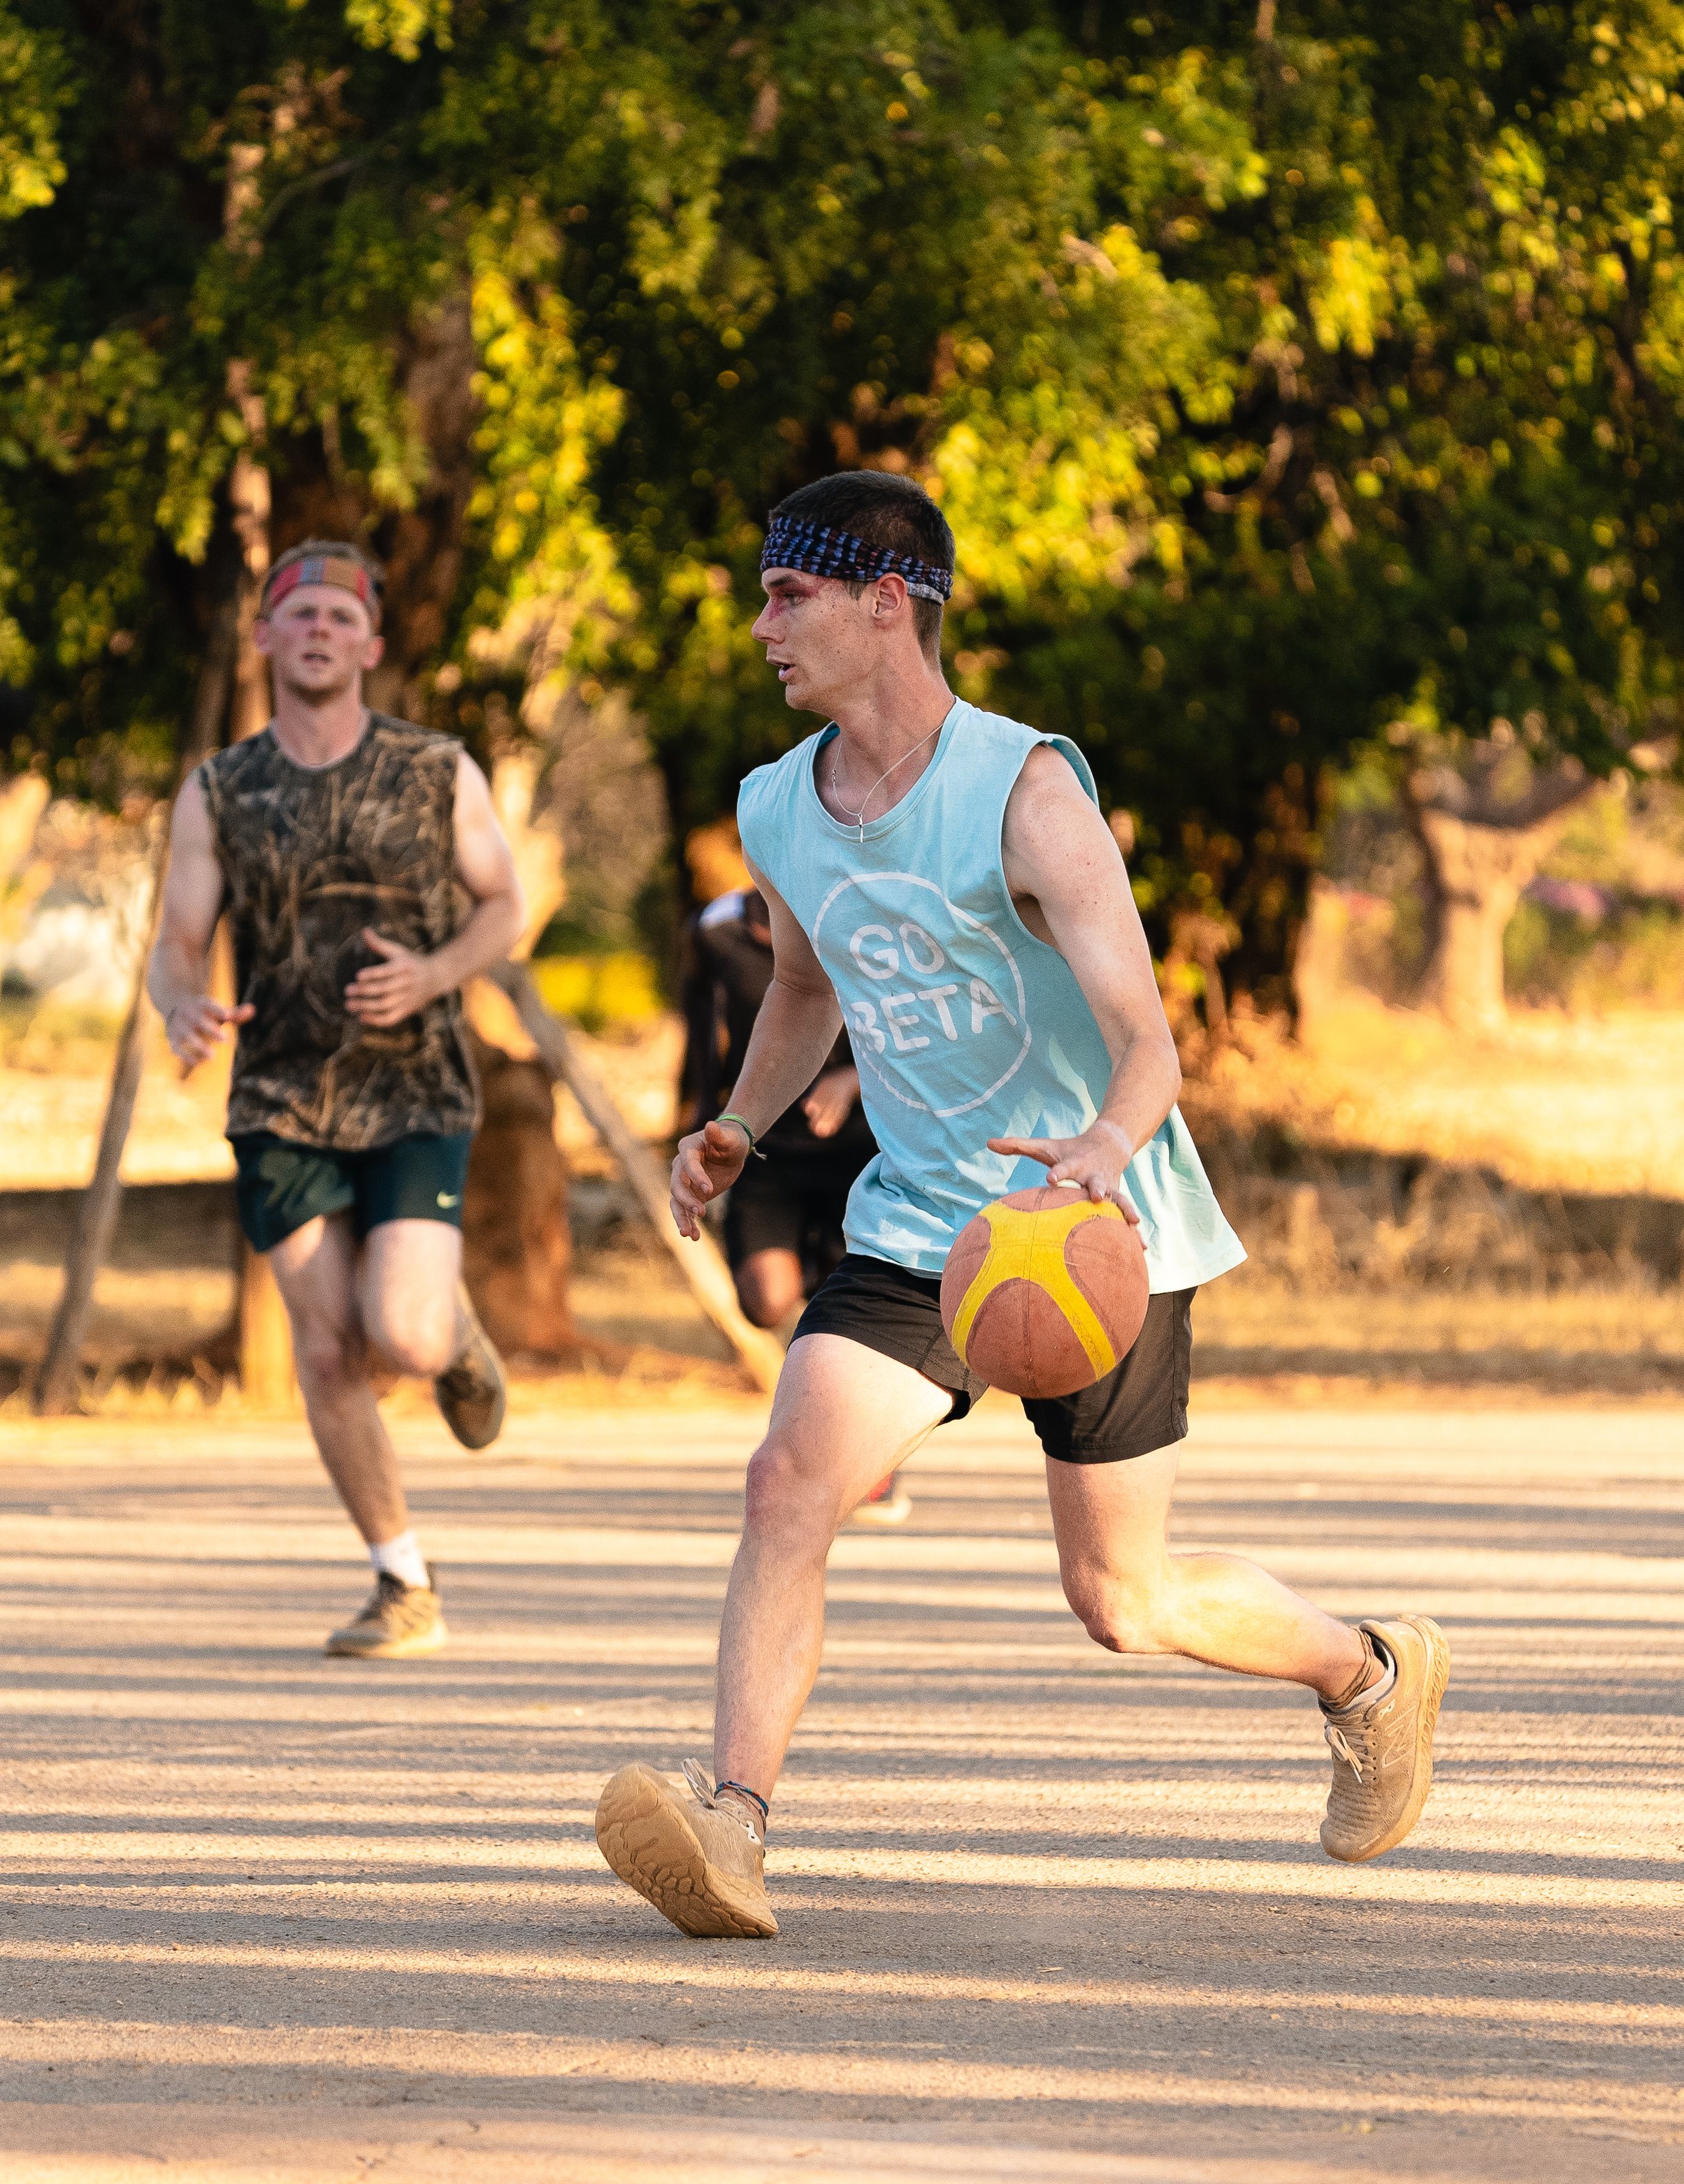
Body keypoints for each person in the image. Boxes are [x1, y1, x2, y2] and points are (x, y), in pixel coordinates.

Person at [594, 472, 1450, 1939]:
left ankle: (1364, 1668)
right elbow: (804, 984)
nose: (757, 627)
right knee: (787, 1476)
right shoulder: (773, 807)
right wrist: (736, 1120)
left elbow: (1148, 1038)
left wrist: (1106, 1145)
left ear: (887, 602)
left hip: (1085, 1229)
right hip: (919, 1220)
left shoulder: (1024, 789)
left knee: (1120, 1595)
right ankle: (731, 1824)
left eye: (785, 595)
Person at [148, 540, 526, 1659]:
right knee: (324, 1352)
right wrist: (181, 1007)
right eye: (297, 612)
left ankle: (449, 1332)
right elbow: (176, 946)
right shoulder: (221, 788)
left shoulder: (436, 768)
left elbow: (503, 902)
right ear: (263, 636)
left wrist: (435, 974)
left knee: (400, 1333)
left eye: (338, 615)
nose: (317, 628)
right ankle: (402, 1578)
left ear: (369, 643)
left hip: (414, 1088)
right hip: (279, 1097)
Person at [682, 885, 909, 1524]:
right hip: (765, 1145)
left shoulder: (862, 912)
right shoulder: (715, 929)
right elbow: (702, 1030)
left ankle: (869, 1459)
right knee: (766, 1297)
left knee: (853, 1312)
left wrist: (851, 1079)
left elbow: (908, 1023)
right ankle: (833, 1382)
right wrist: (704, 1120)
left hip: (861, 1142)